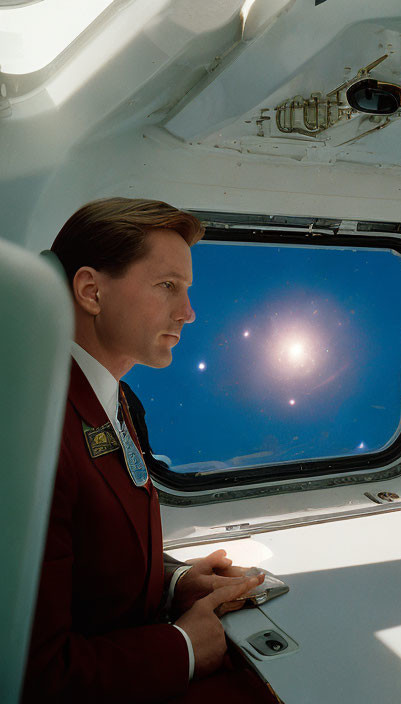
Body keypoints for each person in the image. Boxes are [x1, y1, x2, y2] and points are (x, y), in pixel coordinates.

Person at [24, 197, 272, 702]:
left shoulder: (114, 399)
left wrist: (175, 583)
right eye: (167, 287)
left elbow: (85, 558)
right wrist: (181, 646)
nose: (188, 312)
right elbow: (37, 676)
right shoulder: (35, 431)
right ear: (91, 291)